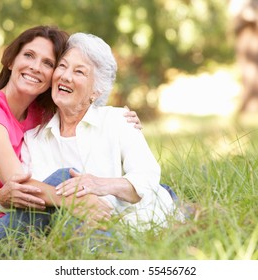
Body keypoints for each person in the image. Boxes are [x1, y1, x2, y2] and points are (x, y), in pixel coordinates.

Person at [0, 26, 141, 246]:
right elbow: (19, 185)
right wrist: (76, 202)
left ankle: (164, 207)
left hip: (19, 221)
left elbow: (82, 108)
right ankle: (118, 251)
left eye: (48, 63)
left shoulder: (38, 114)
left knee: (142, 184)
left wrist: (120, 119)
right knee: (66, 180)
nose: (35, 67)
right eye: (29, 55)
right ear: (11, 61)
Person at [20, 32, 183, 233]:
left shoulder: (118, 120)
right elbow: (31, 198)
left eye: (79, 72)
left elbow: (147, 179)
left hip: (134, 223)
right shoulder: (33, 139)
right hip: (71, 230)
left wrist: (100, 185)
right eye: (62, 66)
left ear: (96, 91)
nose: (66, 76)